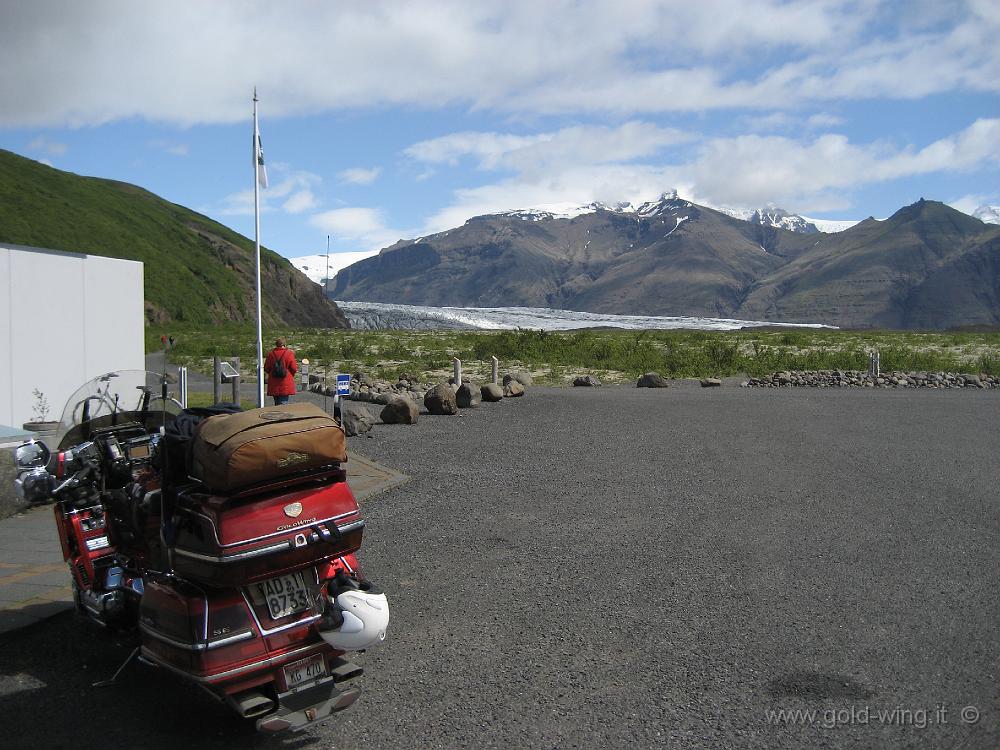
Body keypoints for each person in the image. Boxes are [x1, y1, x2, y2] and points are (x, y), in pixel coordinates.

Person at [263, 338, 298, 405]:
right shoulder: (289, 353)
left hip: (274, 382)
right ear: (284, 344)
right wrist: (290, 375)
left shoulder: (271, 354)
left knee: (276, 403)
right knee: (283, 403)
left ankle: (277, 413)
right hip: (285, 381)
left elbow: (266, 368)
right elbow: (294, 368)